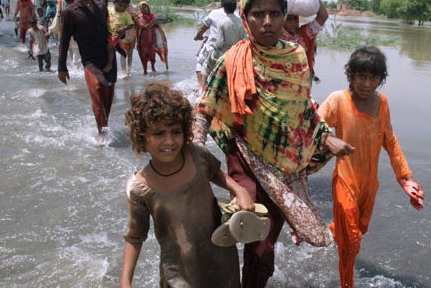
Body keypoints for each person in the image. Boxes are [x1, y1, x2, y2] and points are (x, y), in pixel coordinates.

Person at [193, 0, 355, 286]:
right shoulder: (233, 58)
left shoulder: (297, 57)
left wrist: (327, 137)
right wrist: (196, 147)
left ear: (284, 17)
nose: (267, 21)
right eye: (258, 14)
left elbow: (304, 109)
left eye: (275, 14)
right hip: (244, 157)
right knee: (249, 230)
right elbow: (205, 107)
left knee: (264, 245)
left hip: (283, 167)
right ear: (246, 17)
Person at [120, 81, 255, 288]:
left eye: (176, 132)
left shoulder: (196, 155)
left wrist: (238, 189)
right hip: (180, 274)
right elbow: (135, 237)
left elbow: (215, 173)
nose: (170, 142)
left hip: (221, 260)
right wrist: (125, 281)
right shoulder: (140, 187)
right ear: (142, 137)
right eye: (158, 134)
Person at [317, 46, 425, 288]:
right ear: (351, 75)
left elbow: (390, 141)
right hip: (345, 181)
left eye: (373, 78)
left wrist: (405, 178)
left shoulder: (382, 102)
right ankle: (347, 284)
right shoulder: (338, 100)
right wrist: (327, 139)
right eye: (361, 76)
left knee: (359, 231)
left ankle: (336, 229)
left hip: (369, 186)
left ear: (380, 79)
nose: (367, 83)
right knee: (351, 245)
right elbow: (313, 126)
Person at [58, 0, 116, 142]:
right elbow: (64, 41)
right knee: (97, 88)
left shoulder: (101, 7)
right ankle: (102, 136)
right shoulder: (70, 12)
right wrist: (62, 67)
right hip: (90, 61)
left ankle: (105, 127)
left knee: (107, 97)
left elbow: (110, 31)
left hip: (108, 58)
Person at [281, 0, 328, 83]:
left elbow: (323, 16)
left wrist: (317, 2)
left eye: (295, 19)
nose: (293, 23)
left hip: (301, 81)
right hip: (281, 80)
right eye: (289, 19)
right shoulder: (277, 34)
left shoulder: (303, 34)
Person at [202, 0, 246, 78]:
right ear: (235, 7)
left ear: (224, 9)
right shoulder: (241, 23)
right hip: (237, 53)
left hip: (224, 53)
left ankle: (203, 89)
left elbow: (219, 42)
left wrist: (214, 46)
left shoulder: (222, 22)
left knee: (205, 67)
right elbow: (245, 40)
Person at [193, 3, 227, 89]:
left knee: (200, 63)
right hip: (229, 51)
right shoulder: (237, 16)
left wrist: (198, 36)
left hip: (213, 47)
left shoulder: (214, 13)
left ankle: (202, 89)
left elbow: (203, 28)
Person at [135, 1, 169, 75]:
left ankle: (153, 67)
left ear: (148, 7)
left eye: (145, 7)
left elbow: (159, 28)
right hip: (143, 41)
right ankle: (145, 72)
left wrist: (163, 41)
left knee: (152, 58)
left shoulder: (153, 16)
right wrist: (152, 23)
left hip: (152, 40)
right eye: (142, 7)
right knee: (143, 57)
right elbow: (141, 27)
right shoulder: (139, 17)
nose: (144, 9)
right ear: (140, 9)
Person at [105, 0, 135, 79]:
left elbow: (131, 24)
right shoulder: (108, 9)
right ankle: (119, 48)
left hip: (117, 34)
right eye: (120, 5)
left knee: (110, 47)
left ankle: (109, 64)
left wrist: (122, 28)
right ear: (114, 3)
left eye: (124, 7)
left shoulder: (125, 14)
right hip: (108, 32)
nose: (122, 8)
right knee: (107, 47)